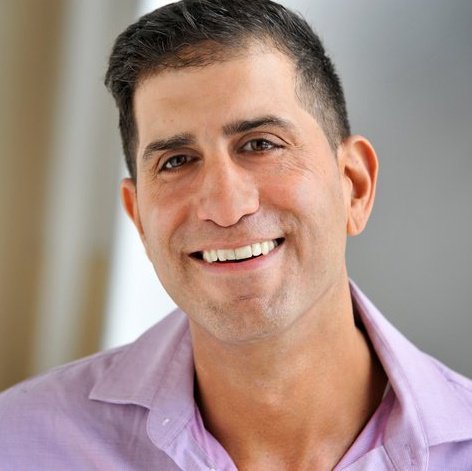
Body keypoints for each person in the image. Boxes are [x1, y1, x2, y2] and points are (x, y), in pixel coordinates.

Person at [1, 0, 471, 469]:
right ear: (139, 219)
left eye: (260, 144)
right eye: (176, 161)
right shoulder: (18, 443)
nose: (226, 207)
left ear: (354, 185)